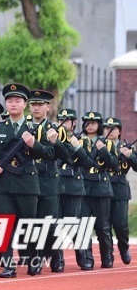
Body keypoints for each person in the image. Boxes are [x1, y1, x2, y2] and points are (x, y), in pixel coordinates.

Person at [0, 83, 55, 278]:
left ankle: (33, 261)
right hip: (2, 183)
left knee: (29, 224)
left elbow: (50, 153)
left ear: (25, 104)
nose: (13, 104)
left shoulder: (34, 129)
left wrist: (33, 144)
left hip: (27, 183)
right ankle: (7, 265)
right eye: (9, 101)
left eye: (17, 100)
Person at [27, 90, 70, 273]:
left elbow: (68, 157)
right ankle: (36, 260)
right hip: (29, 179)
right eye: (33, 104)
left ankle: (57, 255)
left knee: (50, 223)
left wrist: (56, 142)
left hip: (49, 180)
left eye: (40, 104)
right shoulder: (24, 128)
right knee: (33, 222)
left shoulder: (56, 129)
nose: (36, 107)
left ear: (48, 107)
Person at [77, 111, 116, 270]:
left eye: (94, 122)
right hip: (84, 187)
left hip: (101, 188)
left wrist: (103, 151)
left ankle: (107, 256)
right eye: (87, 122)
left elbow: (114, 165)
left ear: (99, 125)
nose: (90, 125)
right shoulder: (78, 141)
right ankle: (86, 259)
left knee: (102, 226)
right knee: (83, 225)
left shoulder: (107, 143)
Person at [53, 108, 88, 271]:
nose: (63, 123)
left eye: (66, 120)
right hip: (56, 183)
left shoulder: (82, 140)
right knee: (55, 223)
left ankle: (83, 254)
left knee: (71, 222)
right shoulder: (52, 137)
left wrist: (76, 146)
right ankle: (57, 259)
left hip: (73, 184)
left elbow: (87, 162)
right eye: (60, 119)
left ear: (74, 123)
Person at [103, 117, 135, 265]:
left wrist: (129, 155)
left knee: (120, 224)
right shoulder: (99, 145)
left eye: (113, 129)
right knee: (105, 224)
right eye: (106, 128)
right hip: (103, 186)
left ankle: (123, 248)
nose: (109, 131)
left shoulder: (126, 147)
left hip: (120, 187)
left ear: (119, 131)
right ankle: (108, 255)